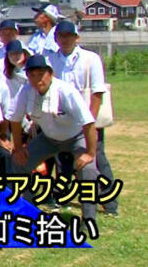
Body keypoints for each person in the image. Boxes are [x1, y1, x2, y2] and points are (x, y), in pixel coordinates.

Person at [9, 55, 100, 221]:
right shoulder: (26, 90)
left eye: (41, 74)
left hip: (75, 137)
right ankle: (27, 209)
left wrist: (90, 153)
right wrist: (18, 148)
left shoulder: (66, 91)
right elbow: (15, 120)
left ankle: (88, 219)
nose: (37, 79)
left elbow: (89, 123)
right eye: (32, 75)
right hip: (48, 138)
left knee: (88, 170)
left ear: (50, 74)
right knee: (18, 161)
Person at [48, 21, 119, 216]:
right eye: (61, 36)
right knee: (63, 160)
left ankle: (110, 203)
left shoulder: (91, 58)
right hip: (63, 120)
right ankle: (64, 198)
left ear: (76, 37)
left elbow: (97, 92)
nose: (65, 39)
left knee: (96, 158)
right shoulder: (51, 60)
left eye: (68, 35)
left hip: (87, 118)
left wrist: (91, 122)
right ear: (56, 38)